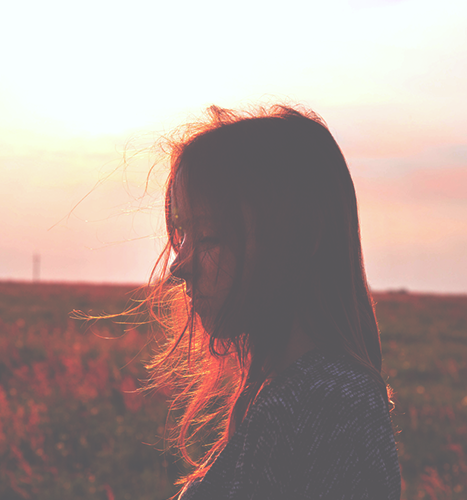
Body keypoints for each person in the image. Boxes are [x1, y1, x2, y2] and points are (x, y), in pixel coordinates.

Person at [145, 104, 401, 499]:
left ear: (298, 239)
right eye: (182, 233)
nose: (179, 265)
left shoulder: (325, 404)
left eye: (209, 234)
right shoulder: (298, 394)